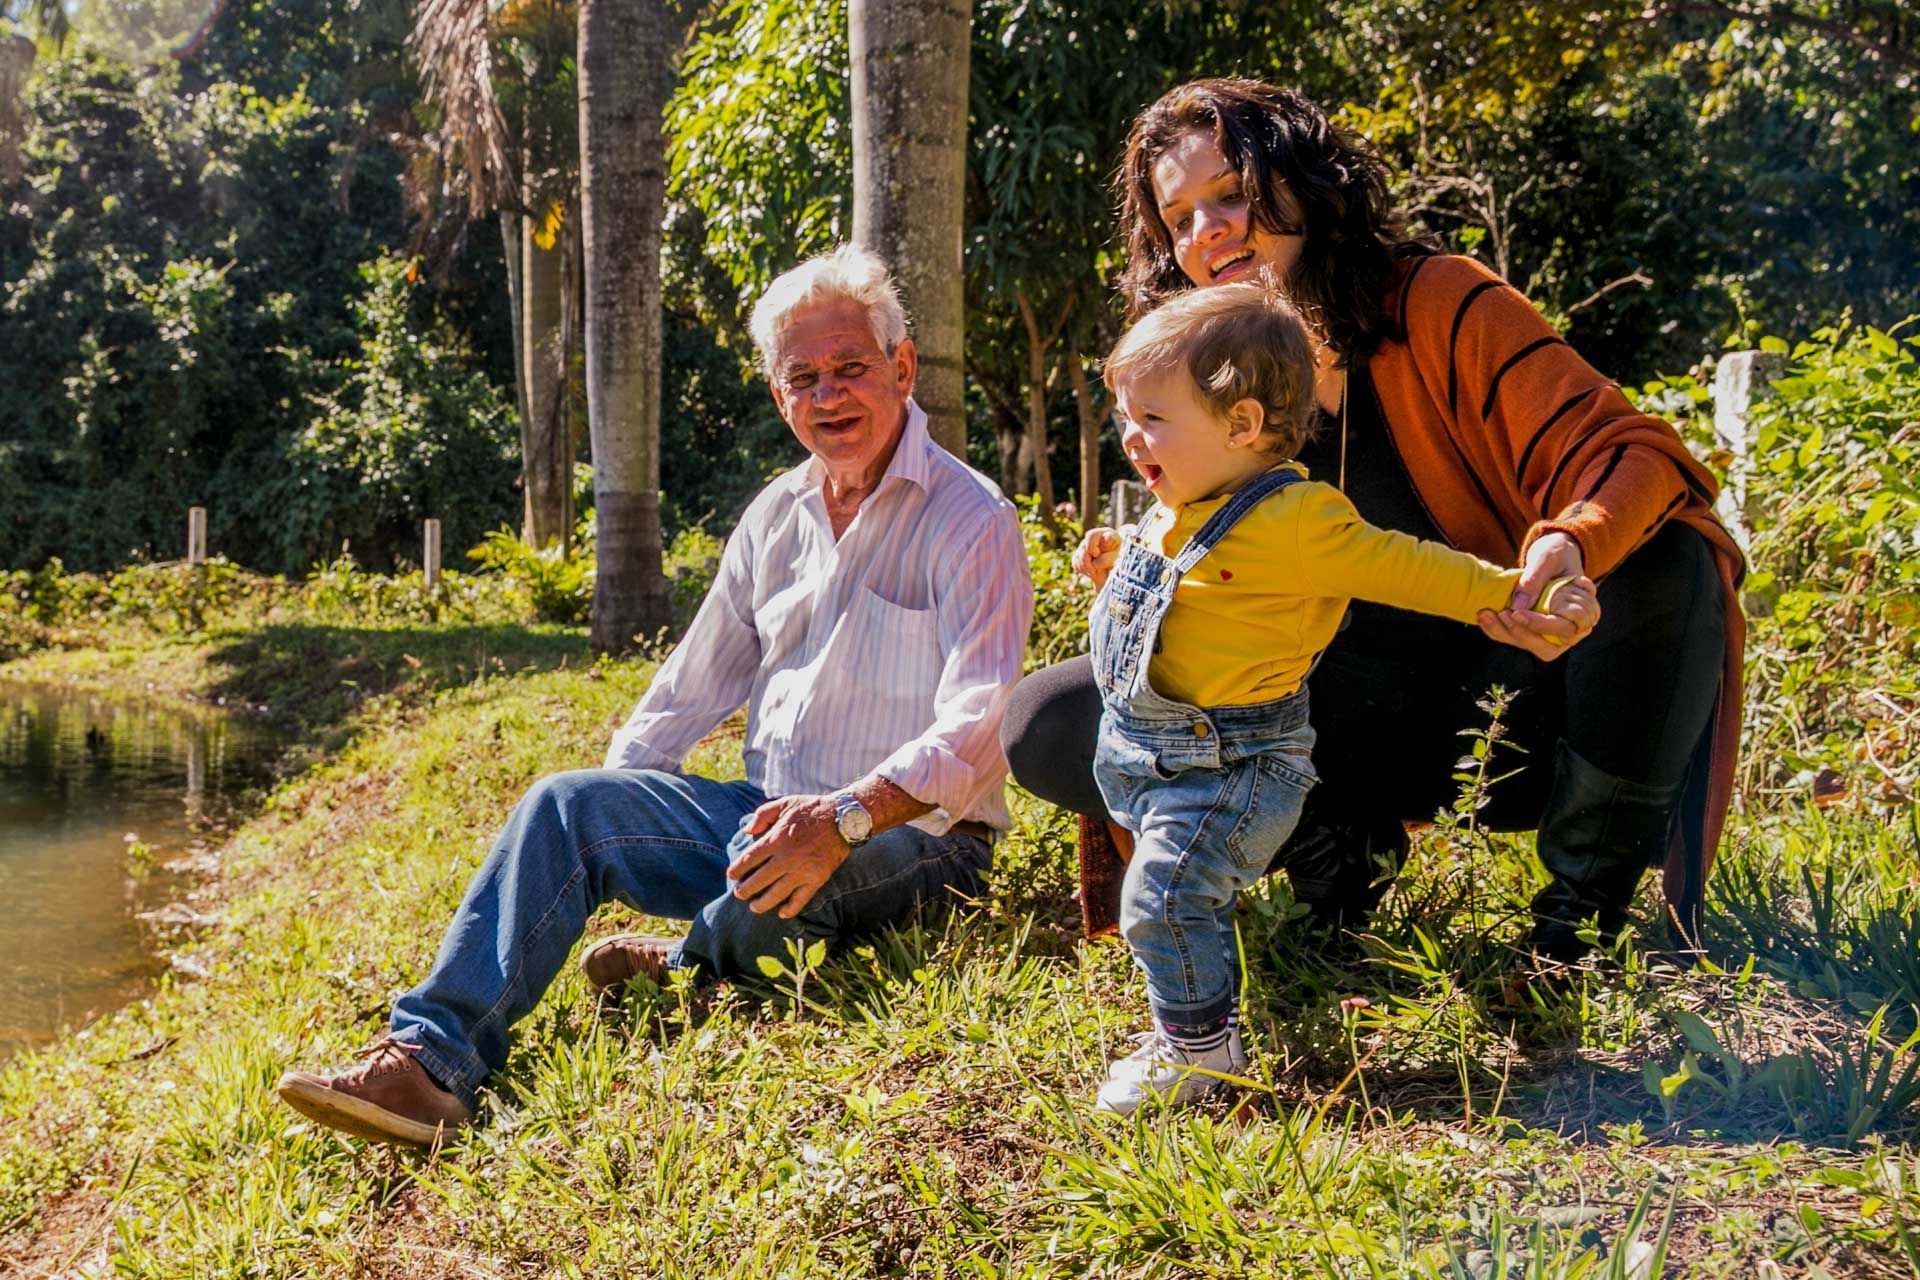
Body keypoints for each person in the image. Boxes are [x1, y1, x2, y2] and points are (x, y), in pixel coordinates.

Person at [276, 246, 1034, 1147]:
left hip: (919, 841)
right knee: (567, 805)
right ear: (777, 395)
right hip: (767, 815)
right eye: (804, 378)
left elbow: (980, 727)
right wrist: (617, 816)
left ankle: (688, 964)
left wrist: (841, 821)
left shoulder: (971, 517)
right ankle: (430, 1065)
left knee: (769, 891)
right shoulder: (774, 516)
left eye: (851, 368)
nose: (830, 396)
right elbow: (690, 684)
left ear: (902, 369)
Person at [1003, 78, 1744, 969]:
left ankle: (1575, 930)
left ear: (1301, 184)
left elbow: (1637, 455)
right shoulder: (1194, 378)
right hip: (1308, 731)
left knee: (1664, 555)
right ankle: (1335, 868)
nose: (1209, 233)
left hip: (1516, 704)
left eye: (1232, 195)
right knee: (1051, 716)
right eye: (1181, 218)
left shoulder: (1437, 301)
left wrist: (1567, 542)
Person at [1076, 284, 1597, 1113]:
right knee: (1176, 907)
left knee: (1166, 898)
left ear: (1242, 426)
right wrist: (1114, 569)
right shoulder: (1177, 507)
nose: (1130, 435)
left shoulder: (1298, 518)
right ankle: (1188, 1021)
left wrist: (1514, 596)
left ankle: (1202, 1055)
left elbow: (1412, 565)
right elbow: (1191, 600)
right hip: (1151, 758)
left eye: (1151, 417)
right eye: (1127, 415)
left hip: (1236, 765)